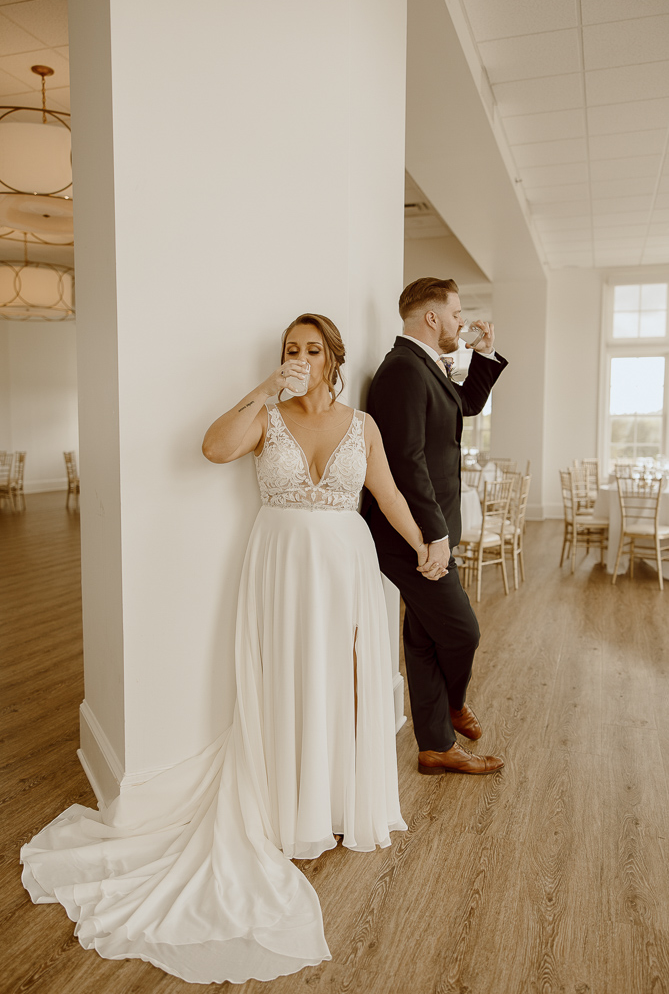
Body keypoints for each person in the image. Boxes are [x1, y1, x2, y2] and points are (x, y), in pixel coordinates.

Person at [20, 313, 437, 985]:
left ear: (334, 358)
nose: (300, 358)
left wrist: (419, 542)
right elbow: (213, 449)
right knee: (286, 683)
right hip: (279, 561)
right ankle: (287, 808)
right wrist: (264, 388)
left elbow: (385, 492)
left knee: (344, 683)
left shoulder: (362, 426)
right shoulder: (265, 416)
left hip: (345, 566)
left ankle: (336, 803)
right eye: (290, 350)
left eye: (311, 350)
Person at [363, 277, 508, 776]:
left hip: (433, 529)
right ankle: (451, 704)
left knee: (424, 639)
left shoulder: (424, 366)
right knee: (462, 632)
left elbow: (463, 406)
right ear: (430, 317)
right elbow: (406, 460)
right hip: (415, 538)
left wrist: (485, 355)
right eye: (455, 313)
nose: (460, 322)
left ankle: (435, 748)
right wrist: (434, 535)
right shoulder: (403, 369)